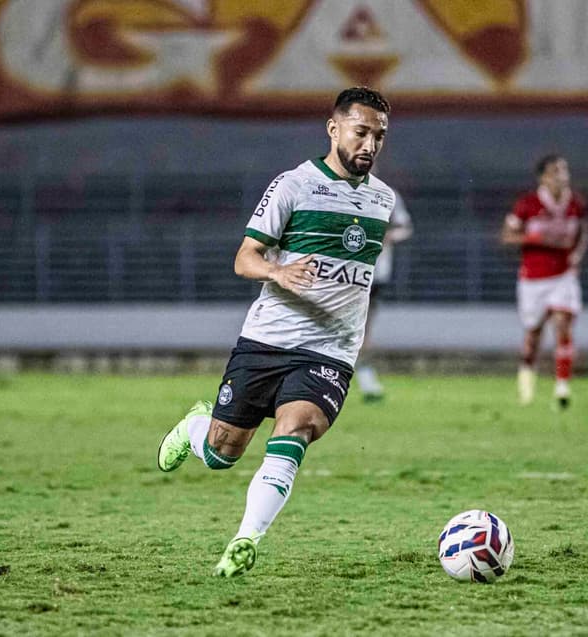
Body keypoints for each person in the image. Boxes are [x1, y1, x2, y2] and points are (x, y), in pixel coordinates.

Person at [156, 87, 395, 576]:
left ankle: (246, 539)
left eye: (380, 136)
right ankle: (197, 427)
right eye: (361, 132)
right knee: (223, 453)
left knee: (296, 429)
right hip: (268, 340)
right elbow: (244, 257)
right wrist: (277, 272)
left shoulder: (383, 199)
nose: (370, 144)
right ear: (334, 129)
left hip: (331, 351)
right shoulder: (293, 185)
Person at [501, 154, 588, 409]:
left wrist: (577, 255)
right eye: (555, 171)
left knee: (563, 325)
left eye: (564, 170)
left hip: (563, 276)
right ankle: (526, 383)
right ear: (543, 177)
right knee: (533, 337)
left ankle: (562, 387)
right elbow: (507, 236)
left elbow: (584, 231)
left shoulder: (575, 203)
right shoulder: (528, 204)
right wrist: (538, 240)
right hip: (533, 279)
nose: (562, 175)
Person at [354, 189, 413, 401]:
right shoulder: (337, 192)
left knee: (362, 330)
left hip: (375, 273)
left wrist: (388, 235)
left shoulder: (387, 195)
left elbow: (405, 227)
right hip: (341, 273)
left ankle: (366, 381)